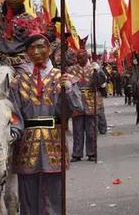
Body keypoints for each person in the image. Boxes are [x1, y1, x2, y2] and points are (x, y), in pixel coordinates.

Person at [8, 17, 83, 215]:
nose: (36, 52)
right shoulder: (18, 80)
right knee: (28, 197)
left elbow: (77, 107)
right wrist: (13, 132)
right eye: (31, 48)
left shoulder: (61, 76)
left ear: (49, 48)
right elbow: (14, 112)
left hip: (54, 141)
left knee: (54, 196)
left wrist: (69, 90)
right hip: (27, 142)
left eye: (41, 46)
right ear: (26, 52)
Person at [68, 50, 96, 162]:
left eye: (81, 58)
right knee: (77, 129)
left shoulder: (93, 68)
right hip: (77, 100)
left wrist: (98, 72)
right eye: (78, 58)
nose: (79, 60)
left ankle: (92, 152)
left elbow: (102, 82)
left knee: (91, 130)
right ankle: (77, 153)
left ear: (86, 57)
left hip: (90, 99)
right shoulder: (72, 70)